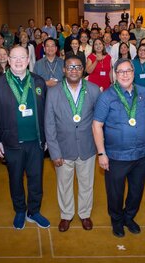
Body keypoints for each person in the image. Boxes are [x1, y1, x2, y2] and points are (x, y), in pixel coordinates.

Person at [0, 46, 50, 230]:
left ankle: (34, 211)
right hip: (11, 143)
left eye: (22, 57)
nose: (18, 61)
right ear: (8, 60)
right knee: (15, 179)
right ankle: (20, 211)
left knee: (36, 178)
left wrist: (46, 138)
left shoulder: (38, 82)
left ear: (28, 59)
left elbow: (46, 112)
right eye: (14, 57)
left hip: (36, 142)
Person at [92, 58, 145, 238]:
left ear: (133, 73)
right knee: (115, 193)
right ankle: (117, 220)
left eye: (128, 71)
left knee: (136, 191)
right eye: (120, 71)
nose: (125, 74)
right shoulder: (106, 96)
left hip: (140, 154)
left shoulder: (144, 93)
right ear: (114, 74)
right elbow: (96, 125)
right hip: (116, 156)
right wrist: (101, 153)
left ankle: (129, 217)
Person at [45, 56, 101, 232]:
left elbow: (99, 121)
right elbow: (49, 123)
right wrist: (54, 152)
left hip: (87, 147)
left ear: (83, 69)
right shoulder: (53, 92)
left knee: (86, 184)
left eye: (78, 67)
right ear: (64, 70)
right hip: (63, 148)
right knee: (64, 184)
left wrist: (100, 149)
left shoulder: (93, 90)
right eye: (70, 67)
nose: (74, 70)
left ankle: (85, 214)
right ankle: (66, 215)